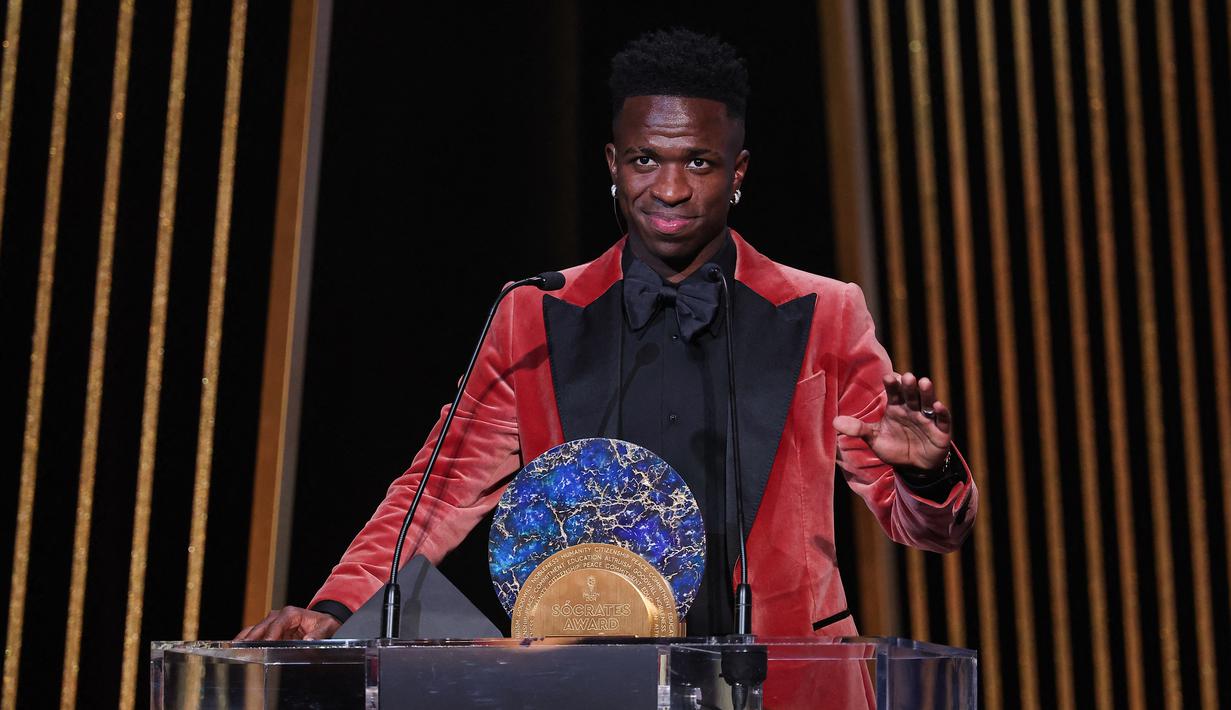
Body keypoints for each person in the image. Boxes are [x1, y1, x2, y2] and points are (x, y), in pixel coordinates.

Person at [239, 29, 976, 654]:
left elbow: (927, 530)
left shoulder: (823, 312)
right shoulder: (534, 312)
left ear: (737, 172)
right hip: (590, 672)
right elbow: (437, 487)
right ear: (612, 167)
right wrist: (335, 611)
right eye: (644, 160)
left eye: (698, 162)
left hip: (785, 673)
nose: (670, 189)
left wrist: (928, 474)